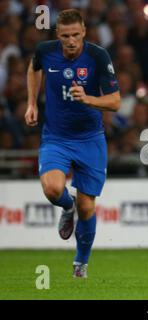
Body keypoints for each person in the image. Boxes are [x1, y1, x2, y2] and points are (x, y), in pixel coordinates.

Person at [25, 9, 120, 278]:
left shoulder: (98, 56)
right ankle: (68, 207)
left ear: (84, 32)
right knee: (53, 188)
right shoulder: (45, 51)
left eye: (76, 35)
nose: (71, 41)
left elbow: (114, 101)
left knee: (88, 206)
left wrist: (88, 98)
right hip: (56, 137)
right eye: (65, 36)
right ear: (58, 35)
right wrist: (32, 103)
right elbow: (33, 68)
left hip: (90, 139)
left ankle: (81, 263)